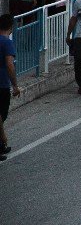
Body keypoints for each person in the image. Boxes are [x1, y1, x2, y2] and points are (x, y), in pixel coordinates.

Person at [0, 14, 20, 160]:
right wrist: (15, 85)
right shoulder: (7, 43)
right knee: (2, 114)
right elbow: (9, 64)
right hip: (2, 84)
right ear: (10, 27)